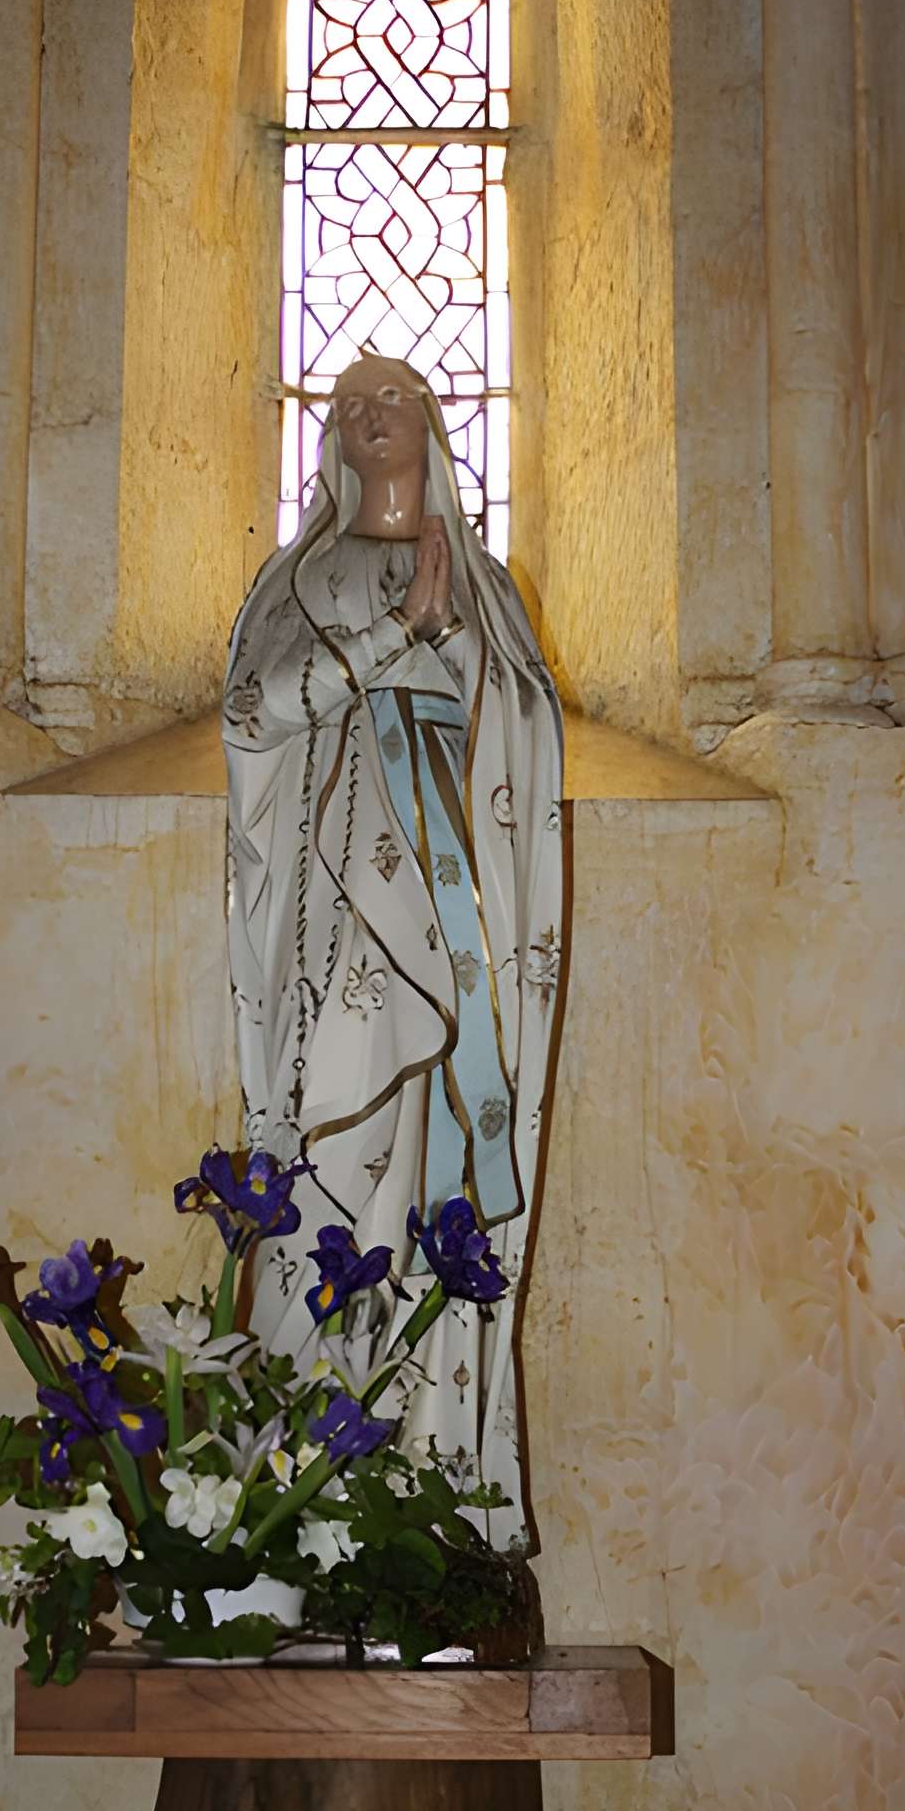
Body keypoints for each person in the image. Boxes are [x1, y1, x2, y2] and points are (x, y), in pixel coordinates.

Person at [222, 355, 564, 1544]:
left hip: (454, 930)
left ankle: (429, 1494)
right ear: (330, 438)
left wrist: (446, 647)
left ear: (431, 423)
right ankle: (299, 1507)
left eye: (395, 398)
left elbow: (520, 736)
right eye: (348, 404)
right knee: (332, 1174)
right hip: (334, 952)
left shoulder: (487, 586)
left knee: (436, 1198)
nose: (372, 416)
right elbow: (253, 714)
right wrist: (390, 642)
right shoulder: (298, 576)